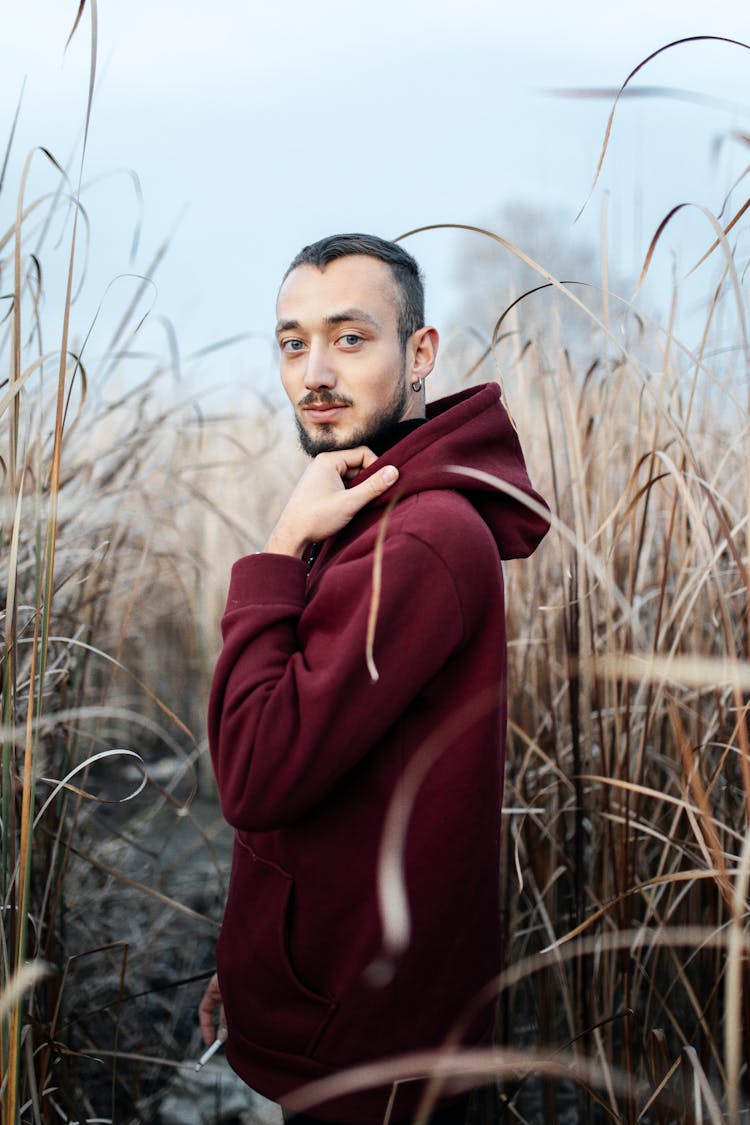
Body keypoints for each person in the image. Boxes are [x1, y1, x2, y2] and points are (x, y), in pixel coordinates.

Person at [198, 234, 549, 1124]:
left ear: (419, 352)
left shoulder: (421, 537)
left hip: (374, 1056)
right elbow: (326, 788)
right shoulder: (371, 512)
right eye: (292, 342)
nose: (315, 370)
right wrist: (246, 961)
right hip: (335, 1011)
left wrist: (278, 548)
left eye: (350, 338)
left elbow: (256, 769)